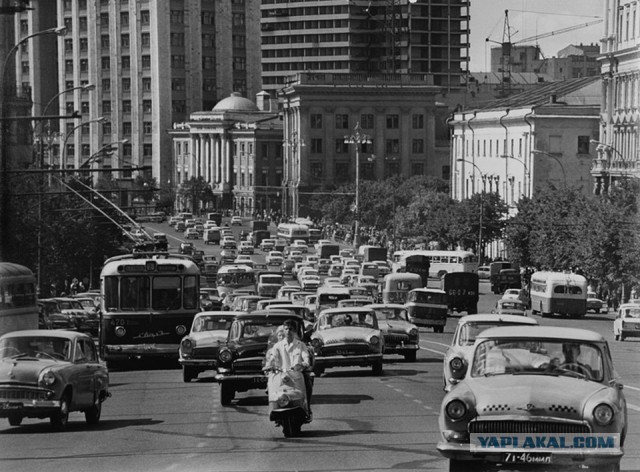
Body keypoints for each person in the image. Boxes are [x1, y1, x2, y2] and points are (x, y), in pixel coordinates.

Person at [267, 320, 313, 421]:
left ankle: (307, 408)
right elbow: (273, 358)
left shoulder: (300, 345)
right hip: (281, 374)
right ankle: (273, 407)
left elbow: (306, 358)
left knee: (308, 382)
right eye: (286, 329)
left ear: (294, 330)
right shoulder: (277, 346)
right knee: (270, 382)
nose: (288, 331)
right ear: (283, 330)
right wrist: (271, 365)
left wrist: (302, 364)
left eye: (290, 329)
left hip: (296, 373)